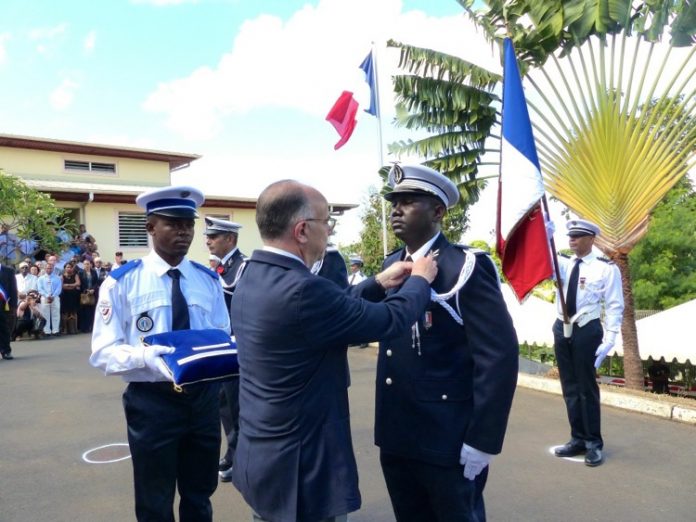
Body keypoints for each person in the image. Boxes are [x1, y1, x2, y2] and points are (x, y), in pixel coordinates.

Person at [229, 179, 438, 522]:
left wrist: (377, 283)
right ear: (301, 231)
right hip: (302, 468)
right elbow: (388, 319)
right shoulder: (303, 289)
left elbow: (324, 315)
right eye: (326, 222)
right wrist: (420, 280)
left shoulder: (253, 275)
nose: (328, 231)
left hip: (264, 456)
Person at [374, 164, 519, 522]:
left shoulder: (465, 266)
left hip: (447, 439)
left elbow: (497, 356)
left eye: (408, 201)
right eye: (394, 202)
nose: (396, 210)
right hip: (398, 434)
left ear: (438, 211)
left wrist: (483, 439)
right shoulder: (393, 265)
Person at [89, 186, 230, 522]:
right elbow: (103, 352)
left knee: (199, 494)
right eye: (173, 223)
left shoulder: (206, 280)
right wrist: (144, 358)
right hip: (153, 402)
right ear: (151, 227)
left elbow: (221, 335)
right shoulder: (123, 282)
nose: (184, 231)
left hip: (203, 401)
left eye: (188, 224)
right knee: (155, 499)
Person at [552, 219, 624, 467]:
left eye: (578, 236)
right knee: (569, 387)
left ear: (591, 239)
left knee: (586, 388)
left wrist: (611, 337)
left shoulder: (605, 268)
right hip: (562, 326)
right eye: (570, 236)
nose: (572, 239)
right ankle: (577, 439)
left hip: (587, 328)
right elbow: (541, 260)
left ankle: (593, 442)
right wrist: (545, 237)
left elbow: (615, 304)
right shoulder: (562, 263)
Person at [203, 216, 246, 483]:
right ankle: (233, 452)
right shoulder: (220, 268)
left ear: (230, 239)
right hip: (221, 347)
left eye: (214, 236)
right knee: (224, 404)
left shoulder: (243, 267)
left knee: (238, 405)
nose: (207, 240)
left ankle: (241, 457)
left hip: (238, 348)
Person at [37, 262, 62, 336]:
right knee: (45, 314)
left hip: (55, 297)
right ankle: (47, 331)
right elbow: (40, 289)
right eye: (47, 268)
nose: (49, 269)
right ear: (45, 269)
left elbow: (59, 288)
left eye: (50, 268)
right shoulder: (40, 278)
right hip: (44, 297)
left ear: (53, 269)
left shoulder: (57, 278)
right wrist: (47, 295)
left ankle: (55, 330)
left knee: (56, 313)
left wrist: (53, 296)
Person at [0, 260, 19, 359]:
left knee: (3, 328)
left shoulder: (8, 271)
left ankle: (5, 351)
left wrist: (13, 306)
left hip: (3, 304)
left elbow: (13, 289)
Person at [78, 258, 99, 333]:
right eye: (85, 264)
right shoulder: (80, 272)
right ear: (83, 265)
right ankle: (85, 328)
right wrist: (86, 290)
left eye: (88, 264)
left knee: (92, 311)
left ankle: (92, 327)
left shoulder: (93, 272)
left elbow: (97, 282)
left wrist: (93, 289)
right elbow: (80, 283)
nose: (86, 265)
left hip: (93, 294)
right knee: (84, 311)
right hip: (84, 294)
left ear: (90, 264)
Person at [60, 263, 81, 334]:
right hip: (65, 296)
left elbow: (78, 283)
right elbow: (62, 286)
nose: (69, 268)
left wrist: (68, 285)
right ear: (65, 268)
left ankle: (75, 328)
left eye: (70, 267)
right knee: (65, 313)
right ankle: (65, 329)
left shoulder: (75, 275)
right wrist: (73, 286)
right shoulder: (62, 276)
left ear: (72, 268)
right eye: (67, 267)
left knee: (74, 312)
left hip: (74, 296)